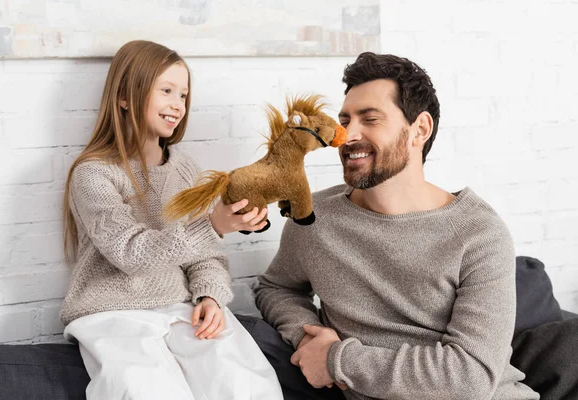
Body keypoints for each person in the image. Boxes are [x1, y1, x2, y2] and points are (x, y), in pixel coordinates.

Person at [254, 52, 539, 400]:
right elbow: (276, 288)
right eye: (345, 120)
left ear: (419, 129)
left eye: (370, 119)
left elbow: (470, 377)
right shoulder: (314, 218)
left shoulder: (479, 234)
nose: (346, 135)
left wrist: (336, 359)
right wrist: (307, 337)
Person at [60, 40, 283, 400]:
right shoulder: (94, 175)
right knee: (143, 387)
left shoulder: (186, 170)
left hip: (180, 308)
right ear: (124, 97)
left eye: (183, 95)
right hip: (113, 311)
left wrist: (209, 294)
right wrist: (213, 225)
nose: (177, 106)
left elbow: (206, 256)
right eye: (166, 91)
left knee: (246, 382)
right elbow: (131, 252)